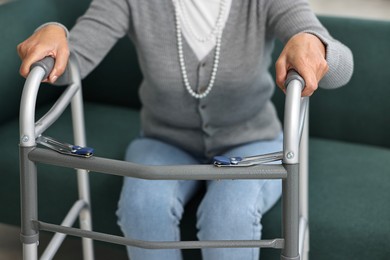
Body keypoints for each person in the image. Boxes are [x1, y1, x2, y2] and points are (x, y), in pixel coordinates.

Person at [17, 0, 353, 259]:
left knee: (228, 216)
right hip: (164, 138)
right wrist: (54, 33)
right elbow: (68, 67)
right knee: (142, 207)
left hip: (252, 139)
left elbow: (341, 69)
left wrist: (314, 44)